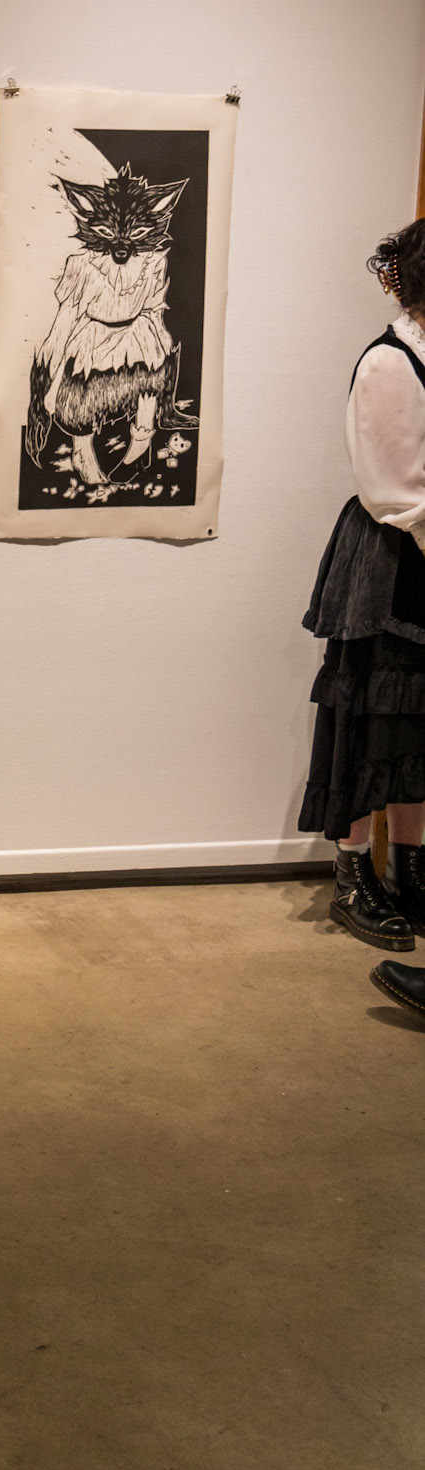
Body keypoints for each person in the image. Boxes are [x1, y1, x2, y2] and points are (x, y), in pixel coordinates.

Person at [299, 219, 425, 959]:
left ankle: (410, 869)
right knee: (368, 711)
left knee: (416, 720)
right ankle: (352, 877)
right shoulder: (388, 362)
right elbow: (394, 489)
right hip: (392, 557)